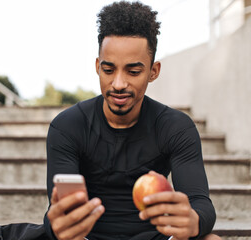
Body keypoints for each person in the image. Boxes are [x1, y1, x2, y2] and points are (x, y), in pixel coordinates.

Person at [43, 1, 220, 239]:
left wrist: (193, 220)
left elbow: (200, 203)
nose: (118, 84)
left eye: (133, 72)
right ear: (97, 66)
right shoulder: (68, 126)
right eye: (108, 70)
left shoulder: (176, 128)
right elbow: (57, 214)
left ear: (153, 71)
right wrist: (57, 223)